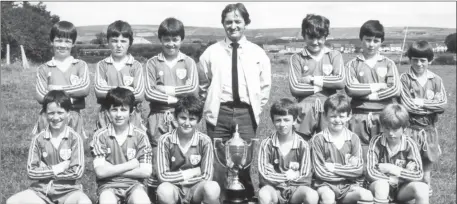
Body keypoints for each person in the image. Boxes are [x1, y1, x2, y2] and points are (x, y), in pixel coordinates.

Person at [198, 2, 271, 200]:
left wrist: (254, 108)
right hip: (219, 112)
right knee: (219, 163)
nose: (233, 26)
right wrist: (212, 104)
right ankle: (220, 199)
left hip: (246, 113)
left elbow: (265, 87)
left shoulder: (258, 53)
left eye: (237, 21)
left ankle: (245, 198)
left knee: (244, 161)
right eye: (228, 22)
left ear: (246, 23)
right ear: (223, 24)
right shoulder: (211, 53)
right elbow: (203, 84)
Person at [144, 17, 199, 194]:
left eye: (175, 39)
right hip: (158, 117)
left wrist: (164, 89)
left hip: (182, 117)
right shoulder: (152, 63)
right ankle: (155, 196)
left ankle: (182, 195)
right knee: (157, 157)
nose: (171, 44)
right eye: (166, 39)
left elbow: (193, 90)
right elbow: (149, 92)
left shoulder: (189, 62)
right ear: (160, 39)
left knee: (181, 155)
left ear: (181, 39)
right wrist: (176, 98)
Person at [7, 90, 91, 204]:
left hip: (68, 191)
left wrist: (44, 170)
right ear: (45, 114)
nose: (56, 117)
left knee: (84, 202)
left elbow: (77, 172)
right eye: (51, 113)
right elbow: (31, 171)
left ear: (68, 114)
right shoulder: (38, 139)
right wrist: (59, 168)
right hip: (41, 191)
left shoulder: (75, 138)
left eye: (60, 112)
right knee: (12, 201)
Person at [345, 20, 401, 160]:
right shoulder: (352, 64)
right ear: (361, 39)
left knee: (383, 151)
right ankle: (361, 180)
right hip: (359, 115)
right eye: (368, 40)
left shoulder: (388, 63)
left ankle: (381, 180)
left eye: (376, 40)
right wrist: (378, 86)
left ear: (381, 42)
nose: (371, 44)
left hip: (383, 115)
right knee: (359, 152)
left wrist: (366, 94)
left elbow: (395, 89)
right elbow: (351, 89)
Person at [399, 40, 447, 195]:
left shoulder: (436, 80)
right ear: (410, 59)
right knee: (409, 168)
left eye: (423, 60)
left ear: (430, 61)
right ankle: (409, 196)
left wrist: (420, 102)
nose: (419, 64)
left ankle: (425, 195)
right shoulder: (404, 79)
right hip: (410, 130)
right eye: (415, 60)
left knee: (426, 174)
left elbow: (443, 105)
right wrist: (431, 105)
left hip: (430, 131)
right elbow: (407, 106)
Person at [152, 95, 220, 204]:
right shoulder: (165, 140)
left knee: (212, 187)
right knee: (164, 190)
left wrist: (181, 179)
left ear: (198, 120)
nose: (187, 123)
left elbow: (206, 176)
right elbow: (163, 176)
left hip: (196, 189)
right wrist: (192, 172)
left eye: (192, 119)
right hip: (174, 188)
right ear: (175, 117)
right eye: (183, 118)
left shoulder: (205, 141)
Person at [288, 14, 345, 141]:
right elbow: (295, 88)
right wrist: (326, 84)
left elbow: (340, 81)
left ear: (326, 36)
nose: (315, 42)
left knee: (328, 144)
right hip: (304, 109)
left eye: (319, 38)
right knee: (300, 145)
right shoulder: (297, 58)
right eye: (311, 37)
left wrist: (313, 79)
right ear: (304, 35)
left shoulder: (334, 55)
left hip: (329, 107)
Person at [91, 87, 152, 204]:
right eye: (114, 110)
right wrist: (132, 164)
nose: (119, 114)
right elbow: (100, 172)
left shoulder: (141, 136)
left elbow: (146, 171)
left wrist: (111, 168)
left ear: (131, 112)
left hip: (135, 185)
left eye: (123, 110)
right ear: (107, 112)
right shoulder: (100, 135)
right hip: (108, 186)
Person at [311, 94, 374, 204]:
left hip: (348, 185)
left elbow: (358, 170)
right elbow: (320, 172)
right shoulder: (318, 139)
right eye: (333, 116)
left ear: (349, 116)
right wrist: (347, 172)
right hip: (325, 184)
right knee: (328, 196)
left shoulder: (353, 138)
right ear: (325, 116)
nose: (337, 120)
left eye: (341, 116)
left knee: (366, 195)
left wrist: (334, 168)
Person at [33, 20, 90, 139]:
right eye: (58, 40)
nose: (63, 45)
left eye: (67, 41)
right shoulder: (44, 68)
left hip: (73, 115)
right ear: (51, 41)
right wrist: (72, 94)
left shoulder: (80, 65)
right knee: (47, 149)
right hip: (49, 116)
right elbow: (40, 95)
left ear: (73, 43)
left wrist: (55, 89)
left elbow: (84, 89)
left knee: (72, 149)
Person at [258, 98, 318, 204]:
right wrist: (292, 175)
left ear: (294, 120)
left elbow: (305, 176)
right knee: (263, 194)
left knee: (312, 195)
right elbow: (264, 176)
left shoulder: (302, 144)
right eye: (278, 120)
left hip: (296, 190)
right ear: (273, 121)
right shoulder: (267, 144)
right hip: (274, 189)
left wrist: (274, 174)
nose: (282, 124)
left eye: (286, 120)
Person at [367, 104, 428, 204]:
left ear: (404, 128)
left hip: (401, 189)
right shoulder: (376, 141)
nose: (391, 133)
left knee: (423, 188)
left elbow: (418, 174)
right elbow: (371, 172)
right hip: (379, 185)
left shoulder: (410, 144)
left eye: (395, 129)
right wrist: (404, 174)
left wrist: (392, 169)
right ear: (382, 126)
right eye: (387, 128)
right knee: (382, 186)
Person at [94, 20, 145, 130]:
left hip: (131, 115)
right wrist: (128, 89)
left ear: (130, 43)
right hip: (107, 115)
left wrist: (109, 89)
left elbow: (140, 94)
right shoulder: (102, 65)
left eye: (123, 41)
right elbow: (99, 91)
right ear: (108, 41)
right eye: (114, 41)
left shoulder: (136, 66)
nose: (118, 45)